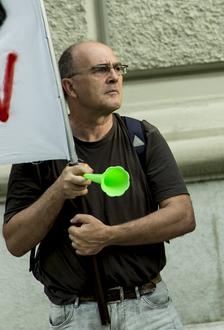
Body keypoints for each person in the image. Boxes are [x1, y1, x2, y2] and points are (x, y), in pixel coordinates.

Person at [3, 40, 195, 329]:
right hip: (76, 315)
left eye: (118, 68)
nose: (114, 76)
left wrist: (109, 235)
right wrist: (58, 191)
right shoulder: (42, 151)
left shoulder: (141, 137)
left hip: (149, 308)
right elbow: (16, 242)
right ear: (70, 87)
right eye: (101, 69)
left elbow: (182, 216)